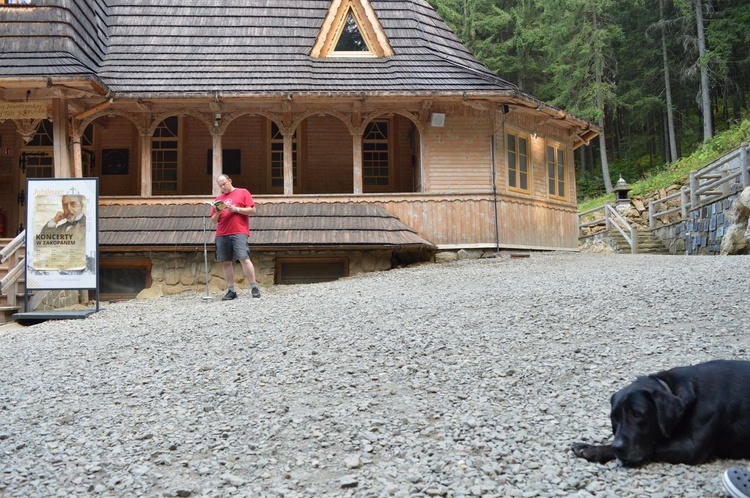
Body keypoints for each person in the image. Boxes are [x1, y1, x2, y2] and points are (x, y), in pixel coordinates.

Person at [210, 174, 260, 300]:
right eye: (220, 185)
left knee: (244, 258)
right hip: (222, 233)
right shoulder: (218, 199)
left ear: (230, 181)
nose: (223, 187)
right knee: (225, 262)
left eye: (224, 183)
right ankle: (231, 290)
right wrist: (218, 212)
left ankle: (254, 287)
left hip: (239, 231)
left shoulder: (242, 192)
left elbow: (252, 210)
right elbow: (214, 221)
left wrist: (236, 209)